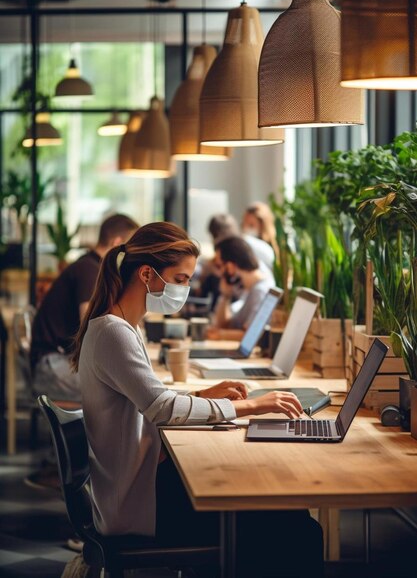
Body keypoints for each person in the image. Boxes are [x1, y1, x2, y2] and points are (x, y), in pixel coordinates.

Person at [71, 222, 323, 578]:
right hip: (138, 508)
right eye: (181, 279)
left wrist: (201, 395)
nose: (186, 289)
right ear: (147, 275)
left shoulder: (120, 326)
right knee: (297, 527)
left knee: (278, 507)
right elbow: (161, 409)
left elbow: (149, 399)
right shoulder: (114, 333)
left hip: (134, 491)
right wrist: (250, 406)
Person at [30, 213, 139, 401]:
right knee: (124, 392)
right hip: (51, 365)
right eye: (131, 249)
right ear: (117, 242)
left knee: (127, 387)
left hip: (60, 360)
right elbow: (91, 328)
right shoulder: (90, 271)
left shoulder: (90, 266)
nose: (133, 256)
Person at [207, 235, 273, 341]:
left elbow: (251, 335)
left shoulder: (260, 291)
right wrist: (225, 296)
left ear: (231, 265)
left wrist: (220, 334)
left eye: (220, 266)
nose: (220, 273)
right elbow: (224, 324)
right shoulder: (249, 289)